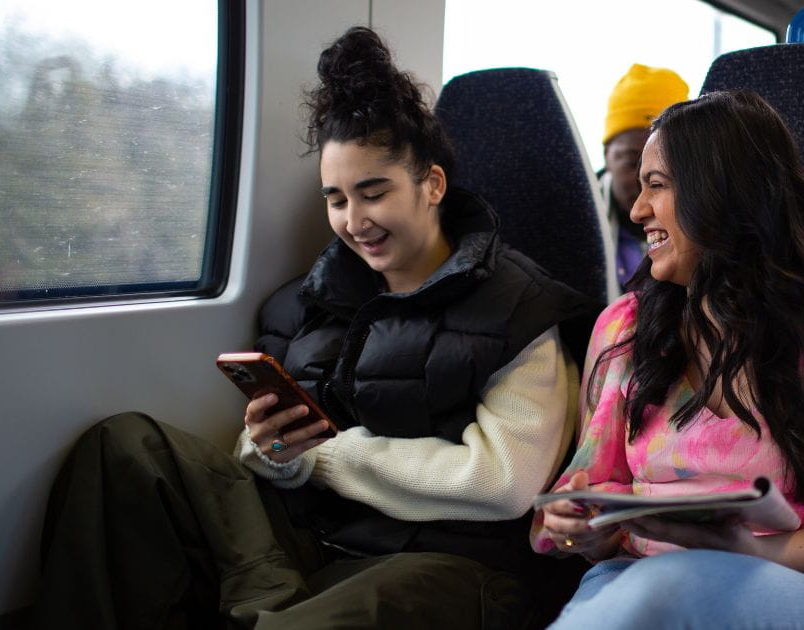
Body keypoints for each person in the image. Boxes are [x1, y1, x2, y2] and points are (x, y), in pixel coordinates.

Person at [33, 26, 595, 629]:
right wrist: (273, 449)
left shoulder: (519, 306)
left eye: (373, 193)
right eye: (336, 199)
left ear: (432, 184)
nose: (354, 221)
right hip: (312, 536)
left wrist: (326, 457)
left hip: (448, 564)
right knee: (126, 448)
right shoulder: (302, 303)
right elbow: (261, 452)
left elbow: (502, 483)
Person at [533, 90, 804, 629]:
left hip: (796, 586)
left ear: (720, 194)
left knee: (665, 596)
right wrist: (582, 525)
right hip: (639, 582)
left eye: (657, 186)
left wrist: (748, 551)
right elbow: (595, 511)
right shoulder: (624, 329)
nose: (637, 209)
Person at [599, 63, 688, 289]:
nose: (643, 192)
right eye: (632, 163)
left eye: (662, 171)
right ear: (606, 154)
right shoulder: (576, 219)